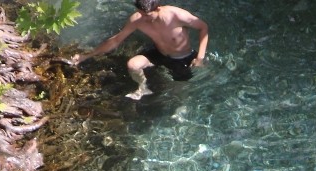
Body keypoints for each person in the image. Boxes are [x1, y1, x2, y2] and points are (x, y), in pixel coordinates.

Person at [63, 0, 210, 101]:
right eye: (141, 13)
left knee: (178, 91)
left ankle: (181, 108)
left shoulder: (176, 15)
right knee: (132, 65)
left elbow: (203, 27)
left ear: (158, 8)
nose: (144, 18)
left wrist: (200, 58)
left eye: (147, 15)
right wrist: (86, 56)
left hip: (183, 57)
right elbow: (115, 40)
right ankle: (142, 87)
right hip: (159, 53)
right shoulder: (137, 19)